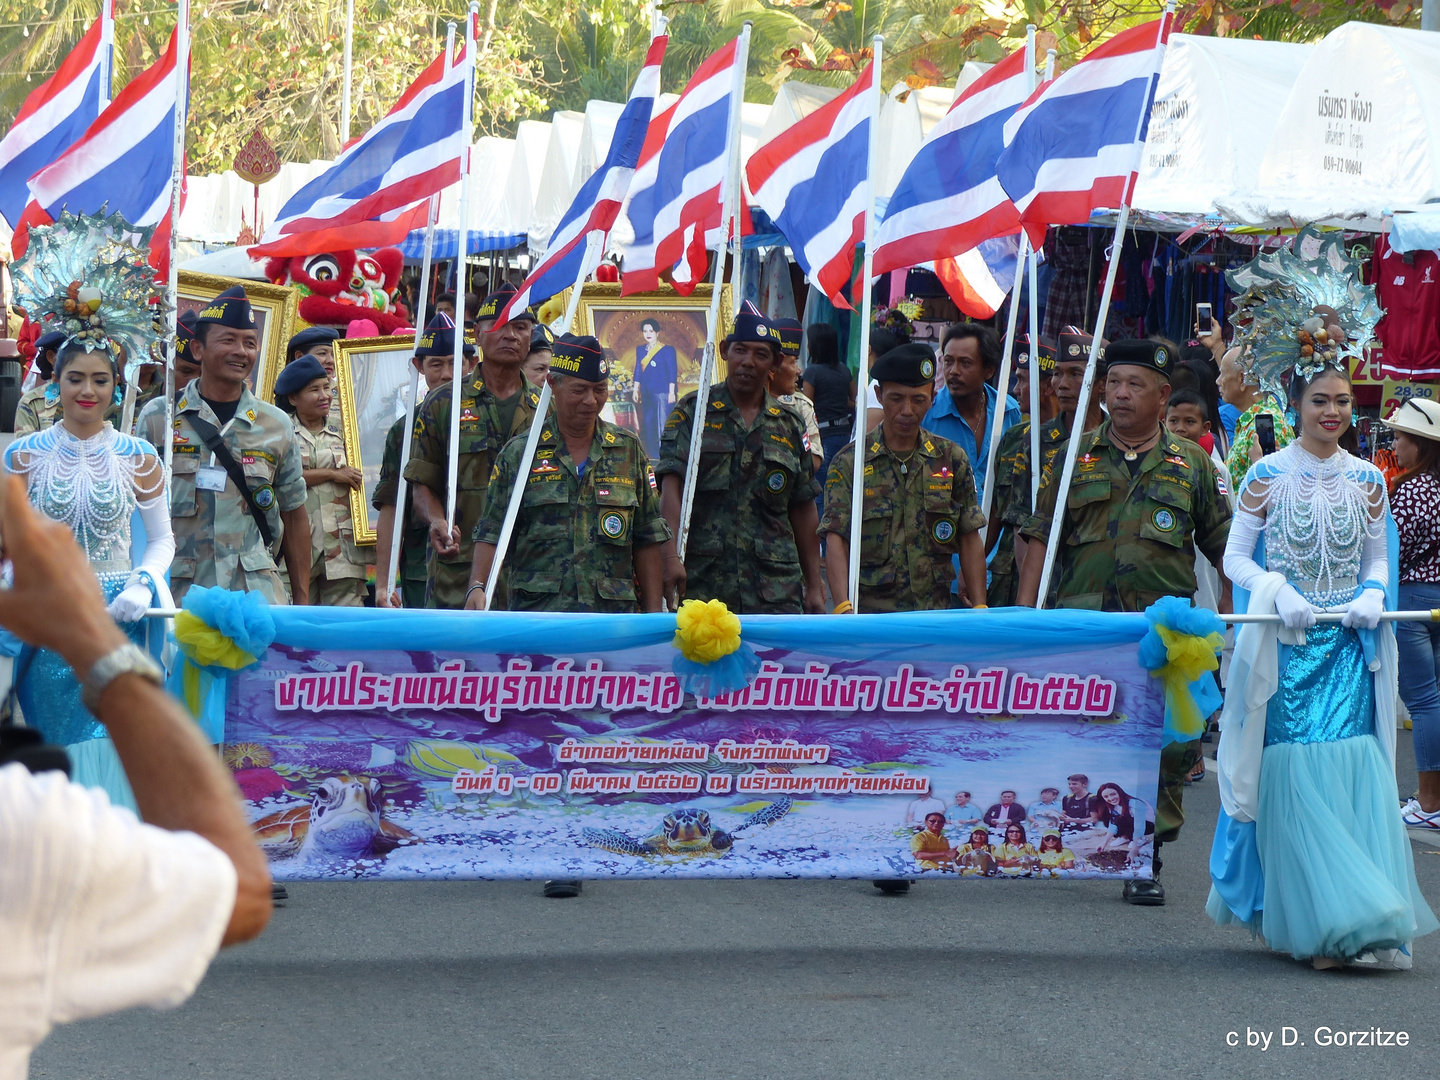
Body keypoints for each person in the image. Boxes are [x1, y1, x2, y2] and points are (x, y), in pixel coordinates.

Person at [1208, 235, 1438, 969]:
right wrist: (1276, 591)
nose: (1334, 411)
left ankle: (1356, 923)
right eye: (1321, 400)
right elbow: (1234, 556)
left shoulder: (1371, 482)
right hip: (1285, 649)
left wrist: (1374, 592)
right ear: (1296, 401)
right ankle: (1323, 923)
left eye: (1343, 400)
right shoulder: (1267, 475)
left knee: (1351, 771)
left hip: (1348, 647)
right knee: (1295, 777)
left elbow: (1378, 555)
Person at [0, 472, 272, 1077]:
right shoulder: (18, 823)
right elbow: (237, 891)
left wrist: (143, 578)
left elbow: (159, 540)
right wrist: (96, 643)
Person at [1017, 338, 1233, 905]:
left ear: (1163, 396)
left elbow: (1225, 549)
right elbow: (1040, 537)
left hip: (1165, 638)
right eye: (1113, 383)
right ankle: (1073, 844)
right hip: (1085, 628)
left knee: (1165, 747)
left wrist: (1236, 627)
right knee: (1084, 738)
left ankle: (1146, 856)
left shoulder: (1192, 467)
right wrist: (1026, 618)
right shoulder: (1074, 456)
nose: (1120, 394)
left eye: (1134, 384)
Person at [4, 316, 173, 813]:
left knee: (114, 736)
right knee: (53, 737)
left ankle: (118, 864)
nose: (87, 390)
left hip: (118, 615)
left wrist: (143, 584)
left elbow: (163, 538)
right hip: (48, 618)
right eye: (75, 378)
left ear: (116, 388)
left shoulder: (138, 455)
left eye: (101, 380)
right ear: (55, 382)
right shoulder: (23, 455)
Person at [468, 335, 672, 616]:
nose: (591, 401)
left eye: (600, 389)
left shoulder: (627, 449)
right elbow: (491, 530)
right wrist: (477, 586)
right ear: (553, 384)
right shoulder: (520, 454)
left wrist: (652, 614)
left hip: (611, 619)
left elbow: (647, 536)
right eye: (579, 390)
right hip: (540, 617)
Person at [137, 285, 312, 605]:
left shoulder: (276, 425)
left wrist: (301, 598)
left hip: (254, 597)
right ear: (198, 349)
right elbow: (136, 510)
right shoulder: (158, 418)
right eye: (228, 340)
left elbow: (294, 514)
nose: (241, 351)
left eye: (249, 343)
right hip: (178, 595)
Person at [656, 306, 825, 614]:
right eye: (740, 350)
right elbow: (671, 490)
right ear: (724, 352)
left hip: (775, 588)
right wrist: (670, 558)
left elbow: (802, 507)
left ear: (774, 363)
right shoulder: (693, 413)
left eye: (761, 354)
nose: (748, 362)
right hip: (704, 584)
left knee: (774, 663)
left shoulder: (790, 425)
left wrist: (814, 584)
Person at [821, 343, 987, 614]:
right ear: (878, 394)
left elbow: (969, 535)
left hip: (933, 614)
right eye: (896, 398)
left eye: (918, 399)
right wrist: (842, 607)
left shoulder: (951, 459)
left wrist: (980, 607)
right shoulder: (850, 462)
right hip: (871, 616)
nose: (907, 410)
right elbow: (836, 537)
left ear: (933, 397)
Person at [403, 284, 541, 609]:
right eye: (499, 326)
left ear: (531, 336)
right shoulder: (443, 403)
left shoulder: (547, 409)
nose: (510, 335)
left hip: (534, 577)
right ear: (477, 334)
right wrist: (437, 521)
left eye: (520, 327)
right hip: (459, 575)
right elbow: (422, 483)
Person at [373, 314, 477, 608]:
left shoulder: (490, 417)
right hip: (425, 571)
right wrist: (383, 585)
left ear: (471, 364)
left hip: (483, 568)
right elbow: (392, 508)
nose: (447, 374)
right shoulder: (403, 432)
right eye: (436, 364)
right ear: (419, 367)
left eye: (456, 363)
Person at [1385, 399, 1440, 831]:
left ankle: (1428, 801)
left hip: (1413, 599)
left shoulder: (1411, 489)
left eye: (1400, 436)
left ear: (1420, 444)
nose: (1394, 443)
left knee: (1423, 702)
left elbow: (1392, 551)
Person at [273, 357, 367, 607]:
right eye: (314, 390)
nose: (324, 395)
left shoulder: (347, 431)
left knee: (343, 630)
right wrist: (332, 473)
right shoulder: (280, 432)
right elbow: (278, 479)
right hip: (295, 550)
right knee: (297, 625)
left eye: (327, 388)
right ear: (293, 398)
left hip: (342, 550)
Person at [987, 334, 1059, 607]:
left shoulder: (1080, 441)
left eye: (1023, 380)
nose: (1016, 389)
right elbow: (995, 511)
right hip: (1007, 579)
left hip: (1056, 580)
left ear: (1049, 385)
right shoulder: (1013, 440)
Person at [921, 322, 1021, 508]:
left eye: (965, 363)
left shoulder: (1008, 411)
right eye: (948, 361)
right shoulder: (927, 411)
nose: (954, 371)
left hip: (995, 531)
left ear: (989, 370)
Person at [1218, 345, 1293, 493]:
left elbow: (1271, 493)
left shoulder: (1267, 425)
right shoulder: (1254, 421)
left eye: (1222, 374)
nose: (1218, 381)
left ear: (1242, 379)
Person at [800, 321, 856, 493]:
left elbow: (806, 406)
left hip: (823, 437)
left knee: (821, 491)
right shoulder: (845, 370)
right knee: (842, 488)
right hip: (845, 434)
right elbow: (854, 401)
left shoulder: (812, 372)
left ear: (814, 346)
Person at [769, 318, 823, 472]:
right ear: (773, 367)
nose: (799, 371)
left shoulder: (801, 405)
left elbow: (815, 461)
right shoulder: (749, 401)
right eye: (792, 363)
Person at [631, 316, 678, 460]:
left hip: (663, 393)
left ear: (658, 332)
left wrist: (671, 392)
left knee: (662, 425)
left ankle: (664, 455)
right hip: (647, 392)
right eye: (645, 331)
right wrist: (635, 389)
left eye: (651, 330)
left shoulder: (667, 350)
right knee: (649, 423)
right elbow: (638, 370)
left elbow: (672, 371)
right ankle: (653, 455)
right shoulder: (640, 350)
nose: (648, 333)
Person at [11, 329, 66, 434]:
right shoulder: (31, 403)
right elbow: (25, 447)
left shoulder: (98, 398)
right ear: (51, 357)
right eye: (70, 354)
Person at [1095, 782, 1154, 864]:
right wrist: (1104, 843)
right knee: (1110, 818)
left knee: (1121, 819)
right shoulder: (1114, 806)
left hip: (1148, 826)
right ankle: (1125, 837)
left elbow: (1139, 826)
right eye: (1106, 796)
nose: (1111, 798)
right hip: (1132, 825)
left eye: (1113, 794)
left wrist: (1134, 850)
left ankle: (1138, 840)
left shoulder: (1134, 803)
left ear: (1119, 792)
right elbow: (1113, 824)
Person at [171, 310, 202, 397]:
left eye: (204, 374)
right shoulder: (134, 406)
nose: (194, 382)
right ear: (164, 366)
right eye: (186, 371)